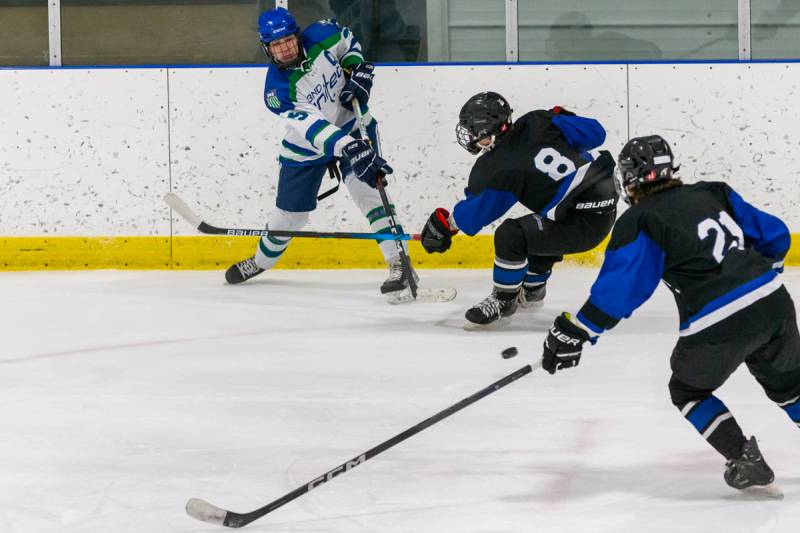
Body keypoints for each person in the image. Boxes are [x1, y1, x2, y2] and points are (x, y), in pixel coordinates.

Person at [541, 135, 798, 493]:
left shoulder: (641, 220)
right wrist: (762, 277)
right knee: (791, 388)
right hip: (774, 301)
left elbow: (622, 291)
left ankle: (744, 459)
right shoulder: (713, 192)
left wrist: (579, 329)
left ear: (628, 178)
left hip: (718, 320)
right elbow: (775, 235)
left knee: (688, 390)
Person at [226, 7, 418, 302]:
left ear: (297, 35)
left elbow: (348, 42)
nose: (284, 49)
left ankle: (399, 265)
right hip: (308, 146)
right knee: (288, 218)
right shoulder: (277, 91)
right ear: (267, 48)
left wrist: (357, 71)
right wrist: (349, 147)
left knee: (369, 193)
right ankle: (261, 262)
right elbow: (314, 128)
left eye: (288, 40)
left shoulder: (323, 34)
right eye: (276, 45)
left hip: (353, 124)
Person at [420, 92, 618, 325]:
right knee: (540, 223)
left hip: (580, 226)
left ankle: (504, 300)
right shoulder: (538, 121)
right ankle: (532, 291)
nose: (471, 136)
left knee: (511, 235)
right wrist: (562, 118)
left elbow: (477, 213)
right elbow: (596, 133)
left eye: (473, 129)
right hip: (603, 209)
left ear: (487, 130)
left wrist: (446, 226)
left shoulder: (497, 167)